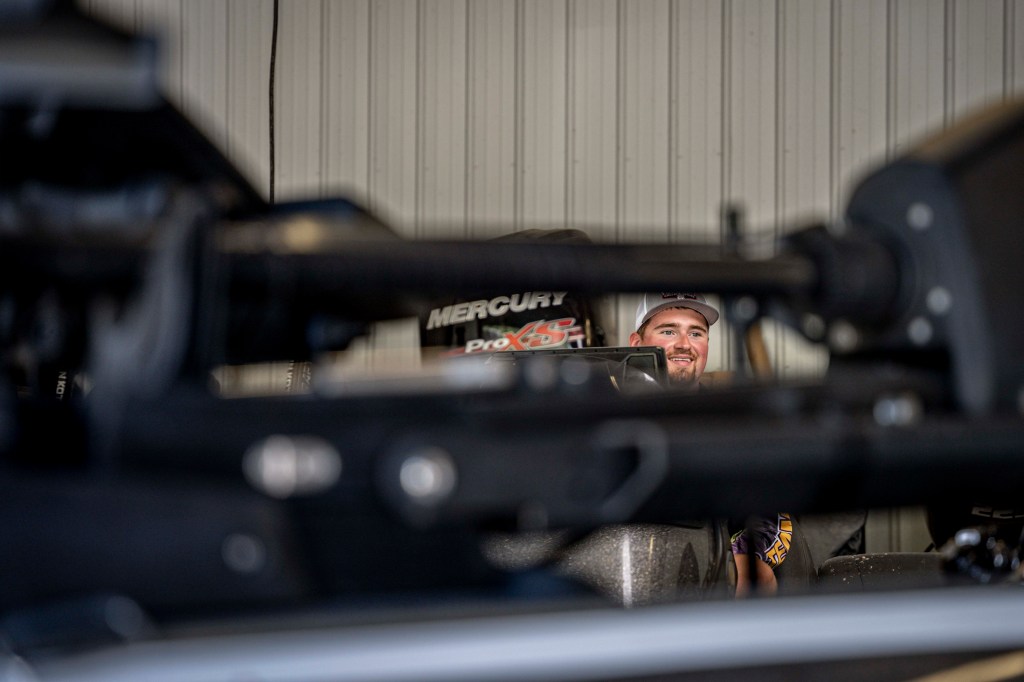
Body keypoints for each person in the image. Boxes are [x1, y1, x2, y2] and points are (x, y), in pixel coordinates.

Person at [628, 292, 792, 596]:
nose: (684, 344)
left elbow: (768, 504)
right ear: (637, 344)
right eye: (668, 331)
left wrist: (751, 557)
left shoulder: (731, 424)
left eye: (696, 333)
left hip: (705, 584)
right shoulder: (607, 419)